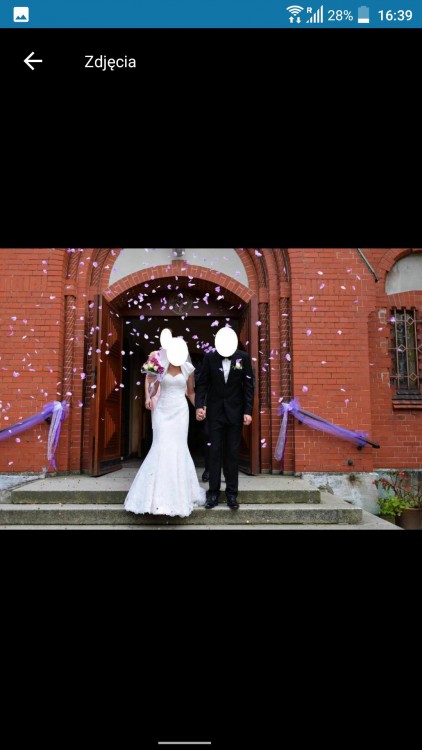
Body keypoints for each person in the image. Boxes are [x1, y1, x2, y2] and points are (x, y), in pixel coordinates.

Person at [125, 339, 205, 517]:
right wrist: (150, 384)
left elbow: (190, 392)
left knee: (178, 448)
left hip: (180, 412)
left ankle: (179, 494)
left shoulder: (188, 368)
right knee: (160, 446)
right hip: (162, 411)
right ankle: (154, 496)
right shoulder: (161, 366)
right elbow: (154, 391)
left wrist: (199, 407)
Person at [195, 330, 254, 510]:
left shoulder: (243, 358)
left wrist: (248, 411)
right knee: (214, 453)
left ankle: (231, 494)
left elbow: (248, 386)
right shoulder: (210, 358)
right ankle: (213, 493)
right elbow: (202, 383)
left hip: (235, 413)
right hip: (215, 413)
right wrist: (199, 405)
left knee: (232, 453)